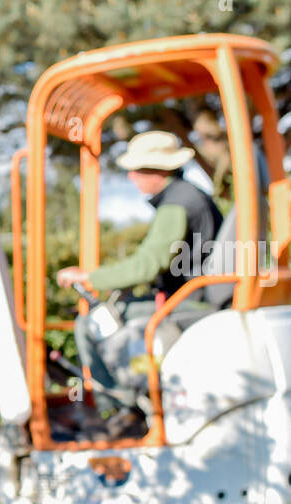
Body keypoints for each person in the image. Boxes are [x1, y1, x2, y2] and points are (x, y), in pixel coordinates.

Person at [56, 130, 224, 419]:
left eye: (135, 170)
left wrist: (90, 278)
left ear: (156, 170)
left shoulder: (176, 203)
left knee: (90, 324)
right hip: (196, 295)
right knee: (121, 311)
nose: (131, 178)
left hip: (190, 301)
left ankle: (118, 408)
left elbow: (148, 263)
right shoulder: (188, 195)